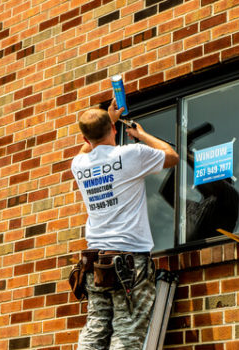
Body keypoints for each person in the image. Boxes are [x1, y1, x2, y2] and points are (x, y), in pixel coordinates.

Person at [71, 99, 179, 350]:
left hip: (94, 262)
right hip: (129, 261)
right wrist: (142, 135)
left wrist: (105, 122)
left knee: (95, 328)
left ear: (86, 139)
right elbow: (171, 156)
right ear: (114, 130)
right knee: (128, 332)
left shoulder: (79, 165)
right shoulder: (131, 154)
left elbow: (86, 148)